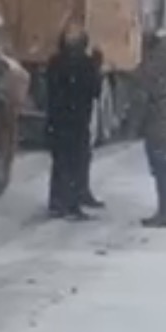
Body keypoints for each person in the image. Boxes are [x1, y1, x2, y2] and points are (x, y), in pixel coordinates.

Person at [45, 20, 103, 220]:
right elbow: (95, 91)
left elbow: (51, 91)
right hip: (78, 120)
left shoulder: (55, 62)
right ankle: (72, 203)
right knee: (76, 161)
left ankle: (57, 201)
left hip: (59, 119)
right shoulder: (86, 65)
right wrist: (97, 68)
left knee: (61, 162)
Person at [128, 29, 166, 227]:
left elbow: (143, 90)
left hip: (158, 125)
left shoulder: (154, 65)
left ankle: (165, 214)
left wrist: (134, 125)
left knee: (162, 170)